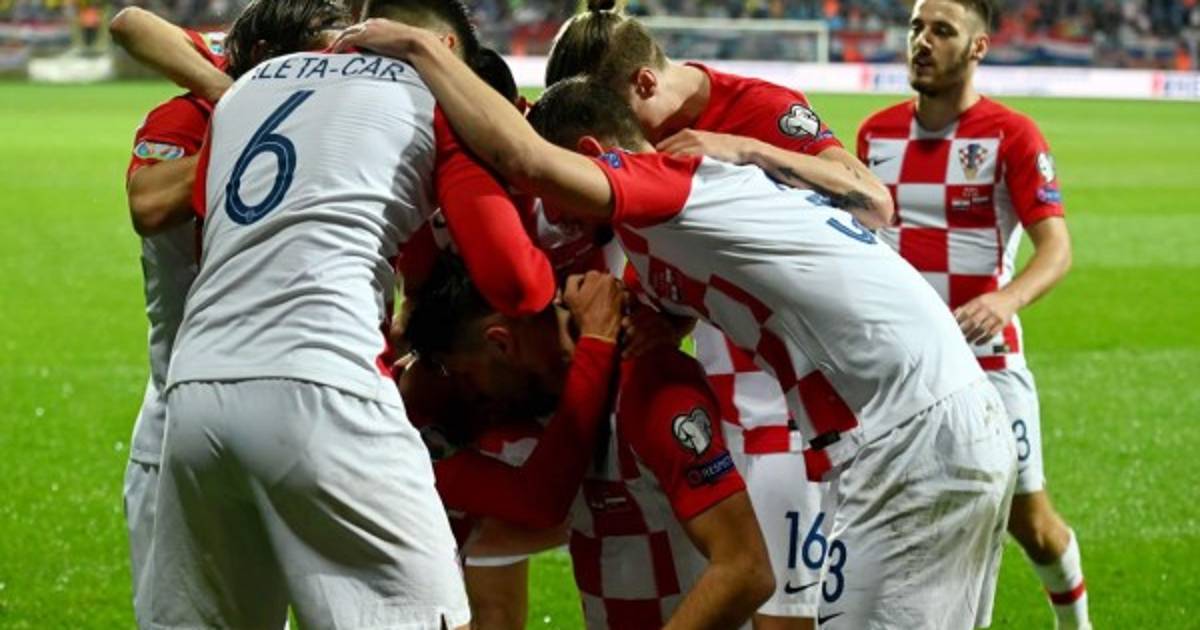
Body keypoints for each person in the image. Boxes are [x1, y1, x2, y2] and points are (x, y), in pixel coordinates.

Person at [334, 21, 1017, 628]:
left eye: (561, 196)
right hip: (918, 423)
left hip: (909, 432)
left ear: (599, 153)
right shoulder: (669, 239)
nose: (556, 218)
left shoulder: (675, 184)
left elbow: (525, 159)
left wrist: (422, 49)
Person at [148, 1, 557, 627]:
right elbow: (516, 284)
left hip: (195, 397)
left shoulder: (248, 89)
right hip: (328, 387)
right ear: (445, 50)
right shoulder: (435, 97)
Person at [543, 8, 893, 627]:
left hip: (786, 413)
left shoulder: (758, 108)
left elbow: (873, 202)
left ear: (643, 84)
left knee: (780, 613)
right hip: (707, 407)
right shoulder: (635, 152)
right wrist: (668, 320)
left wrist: (745, 150)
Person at [856, 0, 1089, 627]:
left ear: (978, 47)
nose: (922, 42)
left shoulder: (1012, 135)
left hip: (987, 363)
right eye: (916, 27)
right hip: (900, 368)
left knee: (1031, 523)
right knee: (894, 514)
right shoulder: (875, 134)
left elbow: (1057, 248)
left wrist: (1004, 300)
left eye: (942, 31)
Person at [405, 260, 774, 629]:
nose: (469, 393)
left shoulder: (649, 382)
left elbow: (746, 569)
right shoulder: (535, 408)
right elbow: (524, 510)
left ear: (500, 343)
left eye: (465, 375)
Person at [110, 10, 226, 623]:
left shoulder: (351, 89)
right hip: (181, 417)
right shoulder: (191, 115)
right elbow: (130, 23)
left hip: (317, 416)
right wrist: (247, 110)